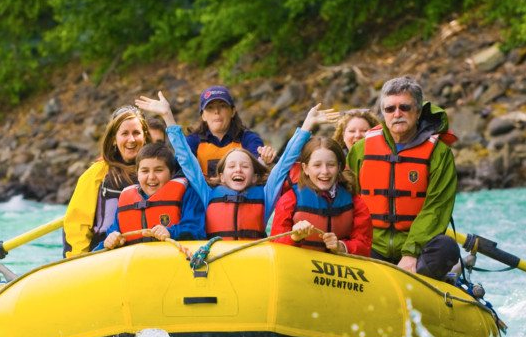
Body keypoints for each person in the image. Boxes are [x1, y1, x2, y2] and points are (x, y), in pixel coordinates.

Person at [136, 91, 335, 240]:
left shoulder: (265, 196)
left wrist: (307, 125)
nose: (238, 169)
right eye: (231, 166)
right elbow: (187, 161)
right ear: (221, 176)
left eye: (245, 166)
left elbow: (284, 164)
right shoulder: (207, 194)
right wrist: (167, 116)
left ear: (255, 176)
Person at [346, 76, 459, 279]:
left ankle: (423, 283)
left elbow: (436, 208)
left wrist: (410, 252)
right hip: (370, 244)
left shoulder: (439, 153)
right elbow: (345, 196)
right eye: (390, 109)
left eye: (404, 107)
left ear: (417, 112)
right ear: (383, 113)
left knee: (447, 247)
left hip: (417, 248)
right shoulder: (361, 149)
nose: (397, 114)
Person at [62, 106, 152, 257]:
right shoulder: (96, 174)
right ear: (114, 139)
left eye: (136, 133)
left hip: (147, 253)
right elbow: (77, 225)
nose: (131, 139)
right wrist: (77, 261)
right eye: (124, 133)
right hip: (105, 254)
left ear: (145, 136)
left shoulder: (157, 170)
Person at [270, 136, 372, 256]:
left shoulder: (356, 202)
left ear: (339, 167)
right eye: (317, 165)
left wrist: (342, 246)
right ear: (305, 168)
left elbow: (364, 244)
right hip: (300, 265)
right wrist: (294, 237)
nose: (325, 171)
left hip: (340, 269)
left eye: (331, 165)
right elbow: (275, 244)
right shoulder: (289, 200)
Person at [97, 141, 205, 250]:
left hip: (174, 262)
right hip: (137, 263)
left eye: (158, 170)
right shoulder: (126, 200)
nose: (151, 177)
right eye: (145, 171)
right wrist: (109, 241)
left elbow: (196, 229)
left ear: (172, 173)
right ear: (137, 174)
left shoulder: (187, 194)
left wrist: (171, 232)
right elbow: (110, 237)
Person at [186, 85, 276, 184]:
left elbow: (257, 164)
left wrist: (266, 158)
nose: (216, 112)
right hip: (203, 196)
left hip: (241, 195)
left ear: (232, 111)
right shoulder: (192, 141)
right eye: (210, 107)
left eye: (223, 106)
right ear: (203, 115)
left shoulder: (249, 139)